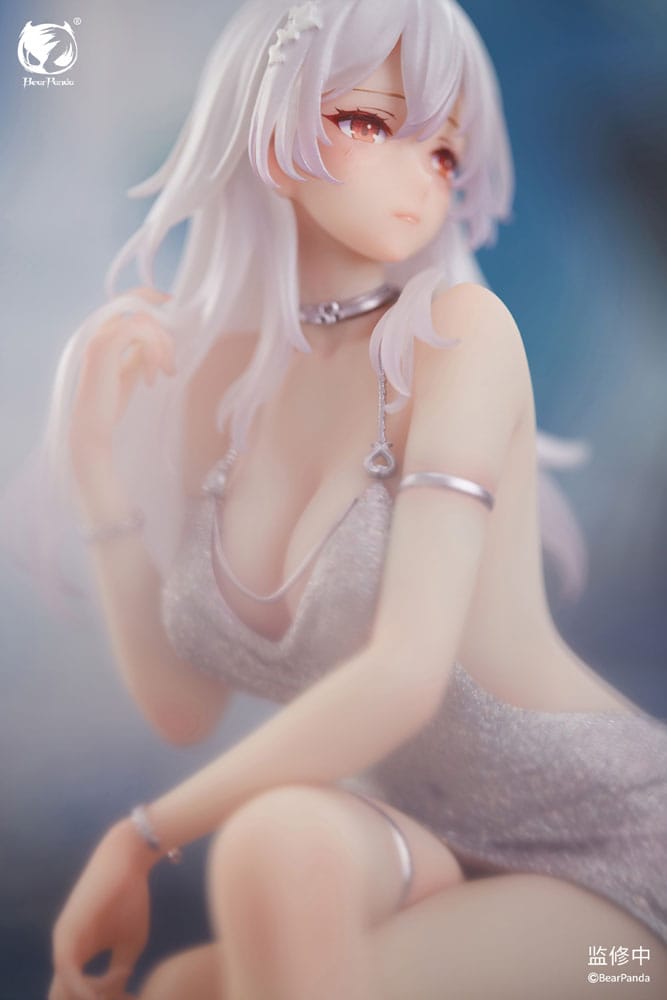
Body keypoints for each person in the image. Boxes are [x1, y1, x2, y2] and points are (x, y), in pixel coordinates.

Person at [34, 1, 666, 997]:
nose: (420, 174)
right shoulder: (213, 383)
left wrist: (142, 836)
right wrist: (97, 466)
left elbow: (403, 675)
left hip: (618, 879)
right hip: (424, 844)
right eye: (372, 122)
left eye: (444, 153)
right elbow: (184, 706)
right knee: (259, 866)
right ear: (270, 137)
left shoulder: (459, 336)